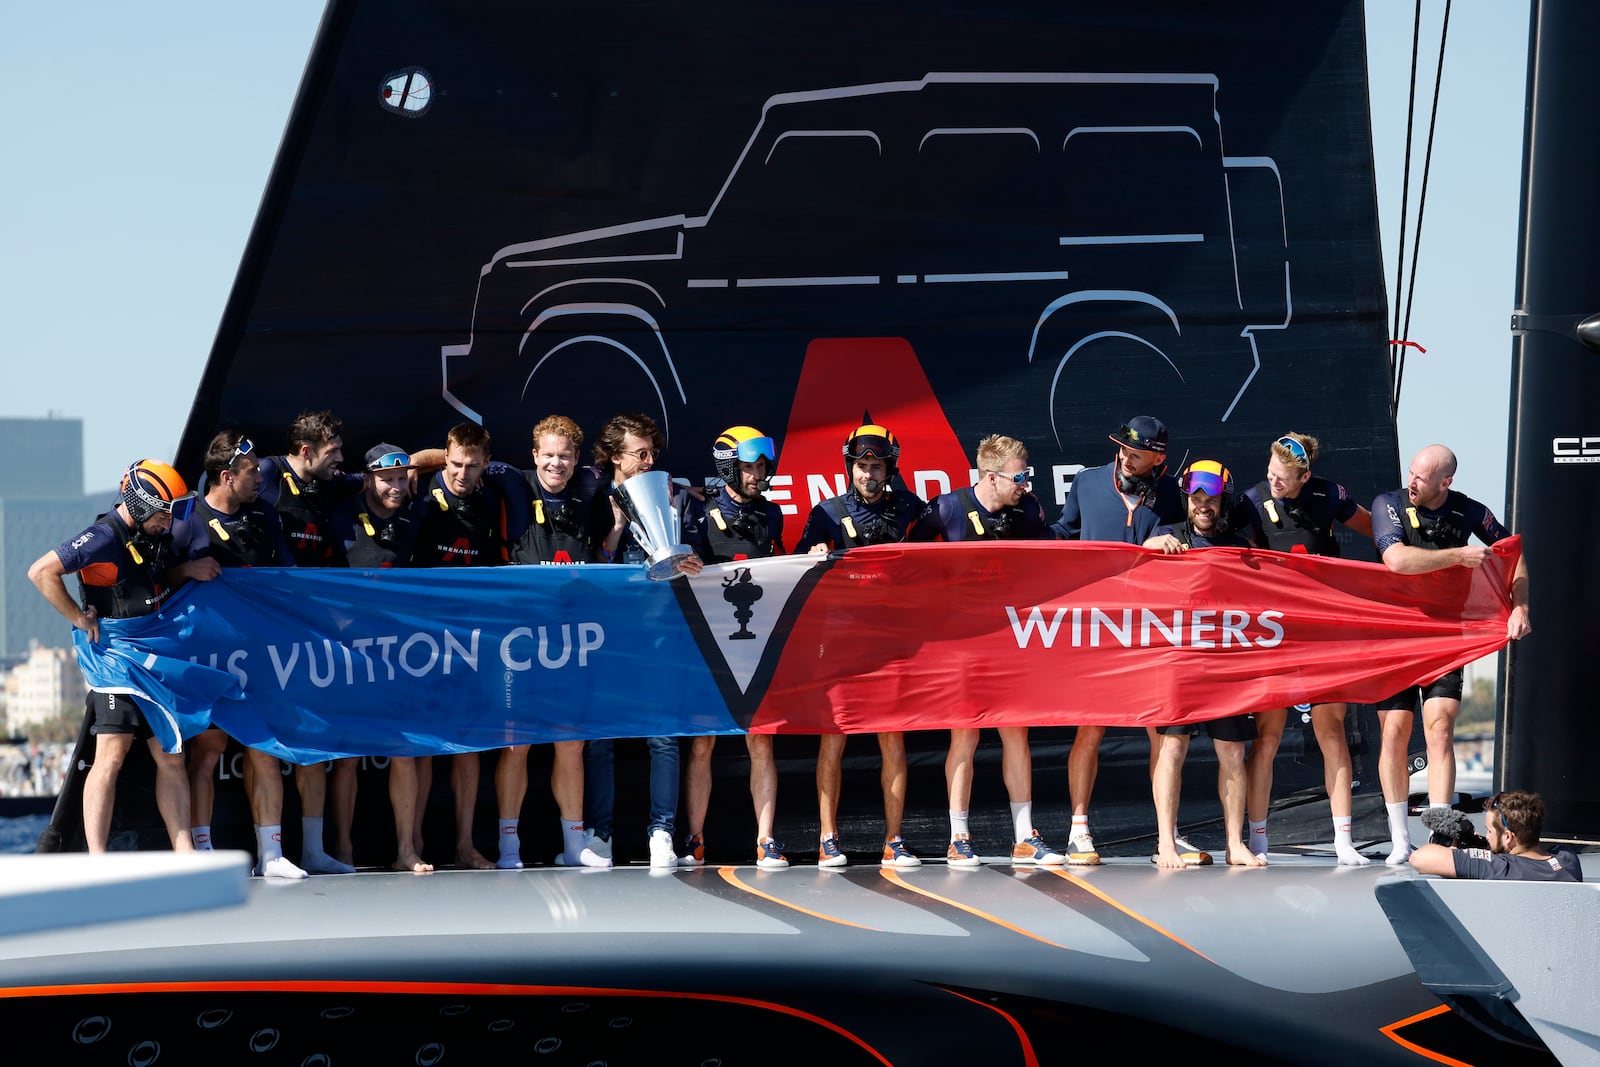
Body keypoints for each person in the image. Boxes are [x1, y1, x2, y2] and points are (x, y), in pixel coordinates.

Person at [27, 459, 203, 854]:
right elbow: (41, 572)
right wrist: (78, 617)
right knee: (112, 753)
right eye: (167, 513)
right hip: (114, 660)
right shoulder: (102, 538)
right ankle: (98, 859)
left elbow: (149, 583)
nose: (172, 523)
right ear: (141, 505)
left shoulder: (153, 536)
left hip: (152, 657)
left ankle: (184, 853)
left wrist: (187, 569)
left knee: (171, 755)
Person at [1371, 444, 1532, 865]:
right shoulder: (1388, 503)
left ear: (1446, 482)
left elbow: (1513, 554)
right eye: (1411, 473)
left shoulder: (1468, 511)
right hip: (1394, 638)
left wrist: (1521, 606)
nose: (1412, 482)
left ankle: (1441, 837)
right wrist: (1459, 556)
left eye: (1422, 478)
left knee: (1440, 728)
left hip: (1446, 636)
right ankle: (1400, 837)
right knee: (1395, 732)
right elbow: (1396, 560)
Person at [911, 434, 1062, 869]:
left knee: (1017, 731)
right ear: (992, 478)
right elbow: (905, 561)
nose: (1027, 484)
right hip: (961, 641)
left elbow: (1060, 557)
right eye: (1020, 477)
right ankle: (959, 837)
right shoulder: (948, 508)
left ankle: (1024, 836)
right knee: (965, 734)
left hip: (1011, 638)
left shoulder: (1028, 510)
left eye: (1028, 476)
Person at [169, 432, 316, 878]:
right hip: (208, 659)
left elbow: (288, 573)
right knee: (209, 750)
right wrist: (185, 570)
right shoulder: (186, 518)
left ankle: (271, 855)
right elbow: (154, 579)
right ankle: (203, 852)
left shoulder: (264, 514)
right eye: (253, 472)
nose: (261, 477)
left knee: (264, 749)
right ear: (226, 475)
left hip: (261, 654)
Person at [1050, 416, 1184, 865]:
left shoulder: (1171, 494)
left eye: (1136, 452)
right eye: (1122, 448)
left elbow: (1189, 542)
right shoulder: (1087, 482)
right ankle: (1079, 830)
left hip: (1150, 626)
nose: (1125, 456)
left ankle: (1168, 833)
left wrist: (1175, 539)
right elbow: (1062, 535)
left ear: (1157, 459)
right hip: (1096, 625)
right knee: (1090, 725)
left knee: (1159, 729)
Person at [1237, 433, 1374, 866]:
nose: (1272, 481)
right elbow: (1214, 535)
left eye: (1282, 478)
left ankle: (1344, 841)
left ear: (1304, 476)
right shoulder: (1251, 500)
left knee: (1330, 730)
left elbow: (1379, 530)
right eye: (1270, 473)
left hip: (1322, 630)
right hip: (1275, 632)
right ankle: (1258, 839)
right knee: (1268, 737)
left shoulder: (1330, 494)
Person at [794, 419, 925, 869]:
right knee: (834, 740)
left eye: (878, 466)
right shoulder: (826, 513)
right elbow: (796, 569)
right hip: (839, 642)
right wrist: (809, 559)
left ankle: (894, 840)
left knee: (893, 741)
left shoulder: (912, 509)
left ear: (891, 467)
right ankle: (828, 838)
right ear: (850, 466)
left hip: (893, 642)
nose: (869, 474)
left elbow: (938, 567)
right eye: (861, 465)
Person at [255, 411, 367, 873]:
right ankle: (269, 854)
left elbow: (388, 472)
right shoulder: (263, 474)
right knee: (263, 743)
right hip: (264, 631)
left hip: (313, 633)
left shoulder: (332, 482)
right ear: (306, 451)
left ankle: (315, 851)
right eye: (333, 450)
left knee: (316, 741)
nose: (341, 458)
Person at [1143, 460, 1265, 868]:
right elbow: (1125, 574)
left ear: (1222, 502)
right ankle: (1165, 842)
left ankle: (1235, 843)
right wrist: (1148, 549)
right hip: (1177, 662)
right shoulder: (1164, 536)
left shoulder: (1240, 547)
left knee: (1232, 753)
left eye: (1210, 499)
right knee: (1171, 748)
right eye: (1196, 498)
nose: (1202, 505)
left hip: (1226, 664)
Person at [411, 421, 522, 869]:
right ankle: (411, 845)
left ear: (485, 465)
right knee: (420, 746)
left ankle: (465, 844)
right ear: (445, 457)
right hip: (418, 640)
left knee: (470, 745)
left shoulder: (493, 499)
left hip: (472, 641)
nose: (461, 473)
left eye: (472, 466)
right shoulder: (417, 491)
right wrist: (426, 459)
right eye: (455, 463)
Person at [582, 413, 689, 869]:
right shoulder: (589, 496)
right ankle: (600, 834)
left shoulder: (673, 497)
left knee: (663, 740)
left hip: (658, 637)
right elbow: (590, 560)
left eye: (652, 453)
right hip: (606, 639)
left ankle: (662, 832)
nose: (648, 461)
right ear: (613, 457)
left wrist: (689, 558)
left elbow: (690, 555)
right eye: (639, 454)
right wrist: (620, 522)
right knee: (600, 740)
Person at [680, 424, 788, 869]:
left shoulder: (773, 513)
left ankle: (766, 840)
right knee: (703, 744)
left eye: (762, 466)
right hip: (709, 643)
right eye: (749, 466)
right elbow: (677, 566)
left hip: (756, 642)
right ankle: (694, 838)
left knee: (761, 742)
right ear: (729, 467)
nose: (758, 474)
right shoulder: (698, 513)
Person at [506, 416, 610, 870]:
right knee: (518, 745)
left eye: (564, 456)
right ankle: (509, 846)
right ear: (534, 455)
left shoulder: (590, 492)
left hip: (571, 642)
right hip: (520, 642)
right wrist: (409, 464)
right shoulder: (510, 482)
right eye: (548, 454)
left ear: (576, 459)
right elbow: (450, 463)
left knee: (570, 744)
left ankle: (574, 845)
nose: (556, 463)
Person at [329, 442, 431, 872]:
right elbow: (317, 579)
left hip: (400, 654)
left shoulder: (412, 517)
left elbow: (446, 457)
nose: (394, 486)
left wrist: (416, 467)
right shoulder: (342, 516)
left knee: (404, 750)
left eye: (400, 478)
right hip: (350, 654)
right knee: (348, 756)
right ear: (368, 478)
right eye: (385, 479)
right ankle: (343, 850)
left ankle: (406, 850)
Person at [1409, 791, 1582, 881]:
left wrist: (1456, 849)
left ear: (1508, 837)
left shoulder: (1501, 868)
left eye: (1490, 831)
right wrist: (1487, 847)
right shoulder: (1568, 859)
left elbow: (1420, 858)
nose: (1486, 836)